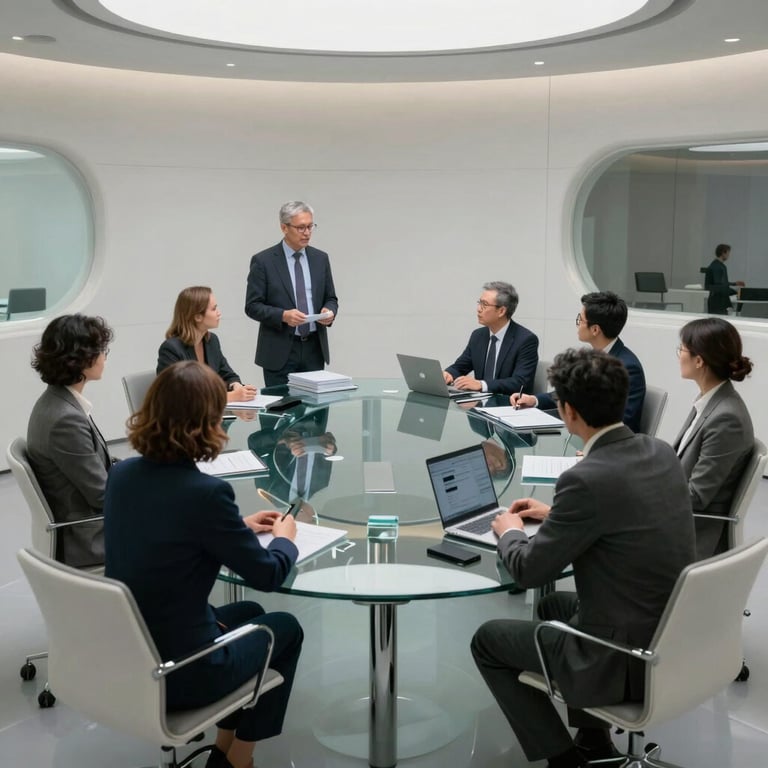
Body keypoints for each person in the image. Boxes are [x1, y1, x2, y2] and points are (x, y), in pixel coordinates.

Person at [471, 348, 695, 768]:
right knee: (556, 605)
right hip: (671, 632)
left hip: (625, 656)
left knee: (488, 641)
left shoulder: (584, 479)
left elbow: (529, 571)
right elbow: (625, 516)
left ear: (568, 412)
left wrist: (511, 532)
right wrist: (555, 516)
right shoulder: (660, 451)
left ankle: (564, 759)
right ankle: (594, 741)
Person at [104, 361, 303, 768]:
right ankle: (239, 761)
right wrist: (286, 542)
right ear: (207, 421)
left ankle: (223, 745)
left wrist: (236, 528)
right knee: (286, 628)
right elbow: (268, 574)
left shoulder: (121, 474)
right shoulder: (206, 493)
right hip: (184, 670)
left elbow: (171, 532)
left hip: (132, 649)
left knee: (249, 613)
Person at [26, 314, 115, 568]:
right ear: (80, 359)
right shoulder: (65, 420)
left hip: (86, 524)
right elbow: (102, 495)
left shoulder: (56, 403)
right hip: (90, 538)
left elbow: (96, 463)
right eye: (100, 350)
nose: (105, 356)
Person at [673, 317, 754, 560]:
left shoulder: (726, 418)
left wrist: (643, 490)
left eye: (682, 350)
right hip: (680, 520)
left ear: (699, 360)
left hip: (694, 534)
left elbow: (695, 497)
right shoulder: (711, 401)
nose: (679, 356)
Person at [511, 291, 646, 432]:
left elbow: (625, 421)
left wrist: (595, 445)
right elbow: (571, 393)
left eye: (580, 320)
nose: (577, 325)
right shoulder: (593, 356)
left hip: (610, 447)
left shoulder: (628, 367)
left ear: (595, 330)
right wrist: (534, 400)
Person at [245, 201, 339, 387]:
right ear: (284, 227)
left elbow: (331, 297)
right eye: (301, 227)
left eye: (310, 226)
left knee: (315, 413)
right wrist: (283, 315)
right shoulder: (264, 261)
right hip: (280, 351)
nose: (307, 232)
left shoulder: (320, 259)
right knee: (280, 411)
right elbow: (252, 306)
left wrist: (329, 311)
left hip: (314, 349)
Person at [157, 286, 258, 403]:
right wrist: (231, 397)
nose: (219, 313)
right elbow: (180, 397)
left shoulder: (212, 341)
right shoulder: (171, 349)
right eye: (214, 309)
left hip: (209, 417)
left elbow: (228, 375)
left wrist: (236, 386)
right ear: (197, 316)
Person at [443, 281, 539, 396]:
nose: (479, 309)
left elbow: (520, 382)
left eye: (484, 304)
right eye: (479, 303)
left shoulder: (526, 340)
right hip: (480, 405)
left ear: (501, 311)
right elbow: (460, 366)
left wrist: (482, 385)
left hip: (509, 406)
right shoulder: (478, 336)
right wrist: (448, 374)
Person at [705, 243, 745, 315]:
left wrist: (734, 284)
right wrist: (736, 292)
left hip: (715, 299)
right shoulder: (719, 267)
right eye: (728, 253)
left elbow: (719, 283)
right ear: (723, 253)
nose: (728, 256)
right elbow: (720, 285)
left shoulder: (715, 265)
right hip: (718, 301)